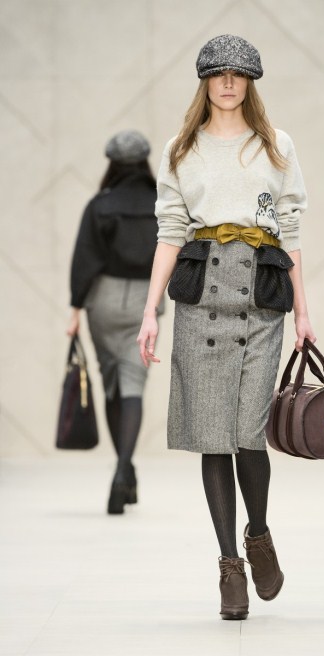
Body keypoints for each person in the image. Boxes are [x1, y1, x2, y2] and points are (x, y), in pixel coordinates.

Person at [137, 35, 316, 620]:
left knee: (249, 434)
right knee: (213, 435)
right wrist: (150, 311)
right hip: (201, 302)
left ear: (251, 82)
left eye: (239, 74)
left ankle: (257, 535)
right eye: (219, 74)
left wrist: (304, 312)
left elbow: (290, 232)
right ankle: (229, 567)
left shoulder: (275, 144)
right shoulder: (181, 148)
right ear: (205, 82)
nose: (229, 83)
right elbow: (170, 230)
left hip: (261, 300)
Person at [67, 130, 162, 515]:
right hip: (145, 301)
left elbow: (84, 258)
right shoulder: (162, 203)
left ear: (112, 164)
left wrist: (75, 308)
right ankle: (124, 469)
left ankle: (123, 468)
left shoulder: (100, 205)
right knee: (133, 384)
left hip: (103, 299)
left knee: (111, 383)